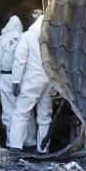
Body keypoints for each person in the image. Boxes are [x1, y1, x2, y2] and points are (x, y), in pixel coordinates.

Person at [9, 10, 56, 154]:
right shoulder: (52, 36)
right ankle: (43, 149)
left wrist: (15, 81)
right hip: (49, 80)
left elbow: (19, 61)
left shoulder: (28, 36)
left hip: (32, 80)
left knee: (21, 113)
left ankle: (16, 146)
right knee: (44, 115)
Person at [0, 14, 36, 149]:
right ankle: (30, 142)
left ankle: (11, 143)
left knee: (9, 110)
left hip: (7, 78)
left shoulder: (2, 39)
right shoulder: (26, 37)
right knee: (26, 110)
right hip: (25, 77)